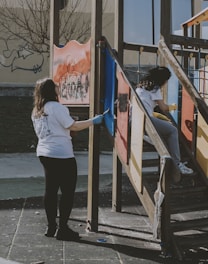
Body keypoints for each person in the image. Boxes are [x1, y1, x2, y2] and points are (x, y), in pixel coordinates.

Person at [31, 77, 103, 241]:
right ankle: (63, 229)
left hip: (44, 153)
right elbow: (73, 126)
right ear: (51, 90)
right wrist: (94, 121)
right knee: (67, 192)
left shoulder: (36, 110)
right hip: (62, 155)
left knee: (50, 190)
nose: (58, 89)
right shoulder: (57, 107)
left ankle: (51, 227)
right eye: (56, 87)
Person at [136, 66, 193, 175]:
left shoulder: (140, 87)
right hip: (146, 121)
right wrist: (174, 107)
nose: (166, 82)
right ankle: (177, 164)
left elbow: (150, 109)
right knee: (172, 131)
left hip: (135, 119)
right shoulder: (155, 89)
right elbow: (163, 108)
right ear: (162, 79)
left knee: (165, 129)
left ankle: (148, 138)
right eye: (166, 80)